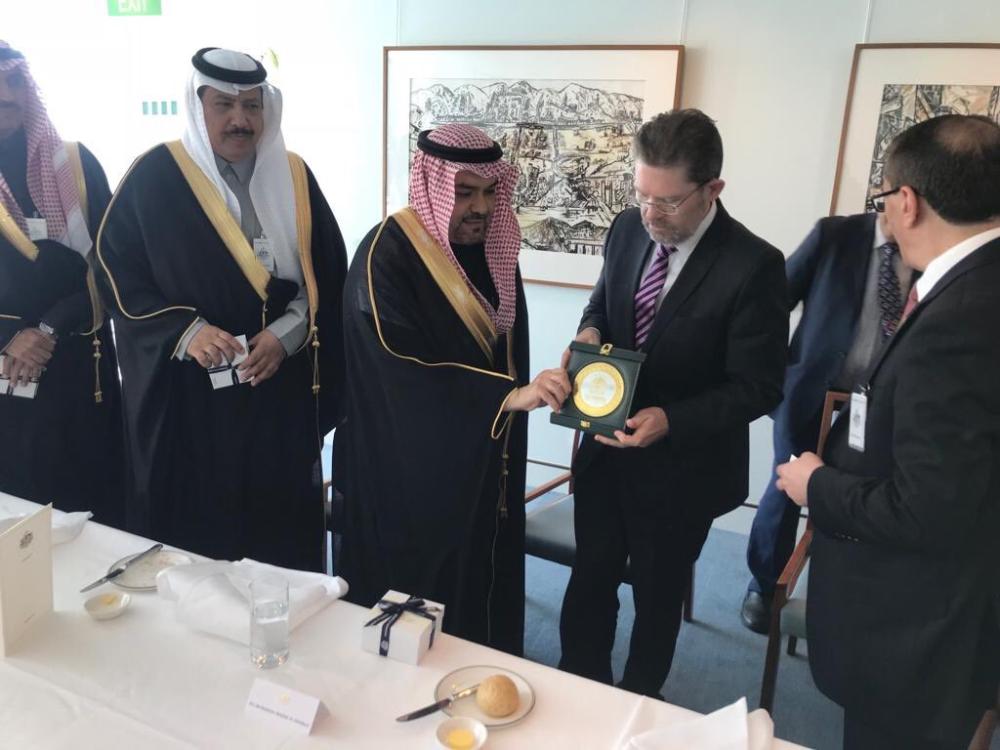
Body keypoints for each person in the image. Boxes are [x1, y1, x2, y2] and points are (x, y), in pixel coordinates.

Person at [777, 114, 1000, 749]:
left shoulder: (960, 317)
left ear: (907, 201)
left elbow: (928, 508)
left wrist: (817, 484)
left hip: (918, 624)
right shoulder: (977, 282)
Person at [558, 109, 788, 697]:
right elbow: (602, 305)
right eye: (641, 196)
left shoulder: (754, 266)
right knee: (590, 582)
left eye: (668, 202)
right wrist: (589, 333)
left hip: (683, 470)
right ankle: (579, 691)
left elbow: (759, 386)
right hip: (606, 450)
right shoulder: (626, 228)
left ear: (713, 189)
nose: (651, 215)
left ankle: (639, 703)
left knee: (656, 599)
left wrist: (672, 420)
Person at [96, 47, 347, 570]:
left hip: (276, 394)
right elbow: (115, 271)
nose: (240, 120)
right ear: (197, 106)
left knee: (278, 540)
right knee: (197, 544)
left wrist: (285, 336)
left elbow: (325, 276)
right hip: (191, 404)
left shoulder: (295, 176)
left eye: (252, 106)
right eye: (224, 105)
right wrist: (186, 332)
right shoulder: (156, 175)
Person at [337, 124, 570, 654]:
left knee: (483, 573)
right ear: (432, 185)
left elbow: (506, 348)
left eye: (489, 192)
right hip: (409, 468)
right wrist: (503, 397)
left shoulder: (493, 252)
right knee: (418, 602)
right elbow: (394, 366)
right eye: (464, 192)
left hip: (486, 451)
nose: (480, 208)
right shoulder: (386, 253)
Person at [740, 210, 915, 633]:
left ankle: (839, 590)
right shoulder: (835, 235)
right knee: (786, 485)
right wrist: (775, 371)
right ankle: (766, 585)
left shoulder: (928, 246)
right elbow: (770, 300)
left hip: (879, 400)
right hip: (811, 388)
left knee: (853, 494)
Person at [0, 41, 124, 526]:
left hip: (79, 372)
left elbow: (114, 267)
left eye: (15, 82)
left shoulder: (75, 164)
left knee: (90, 512)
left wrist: (49, 327)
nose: (7, 95)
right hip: (7, 375)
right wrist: (10, 337)